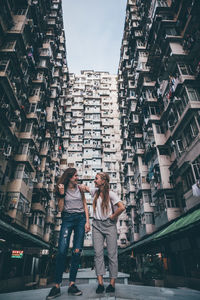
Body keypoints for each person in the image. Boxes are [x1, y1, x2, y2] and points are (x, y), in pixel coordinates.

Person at [46, 168, 90, 299]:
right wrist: (61, 194)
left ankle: (72, 284)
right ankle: (57, 286)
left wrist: (87, 221)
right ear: (69, 177)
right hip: (67, 219)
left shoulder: (80, 189)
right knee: (61, 251)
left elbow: (84, 204)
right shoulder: (62, 188)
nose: (77, 178)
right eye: (75, 176)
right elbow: (60, 209)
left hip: (80, 219)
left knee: (77, 251)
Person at [80, 172, 125, 294]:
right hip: (97, 225)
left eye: (96, 179)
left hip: (109, 225)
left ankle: (112, 284)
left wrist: (113, 216)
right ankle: (100, 284)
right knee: (98, 254)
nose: (94, 181)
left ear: (103, 181)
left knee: (112, 254)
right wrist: (76, 184)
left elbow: (122, 207)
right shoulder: (95, 192)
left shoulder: (111, 194)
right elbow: (85, 188)